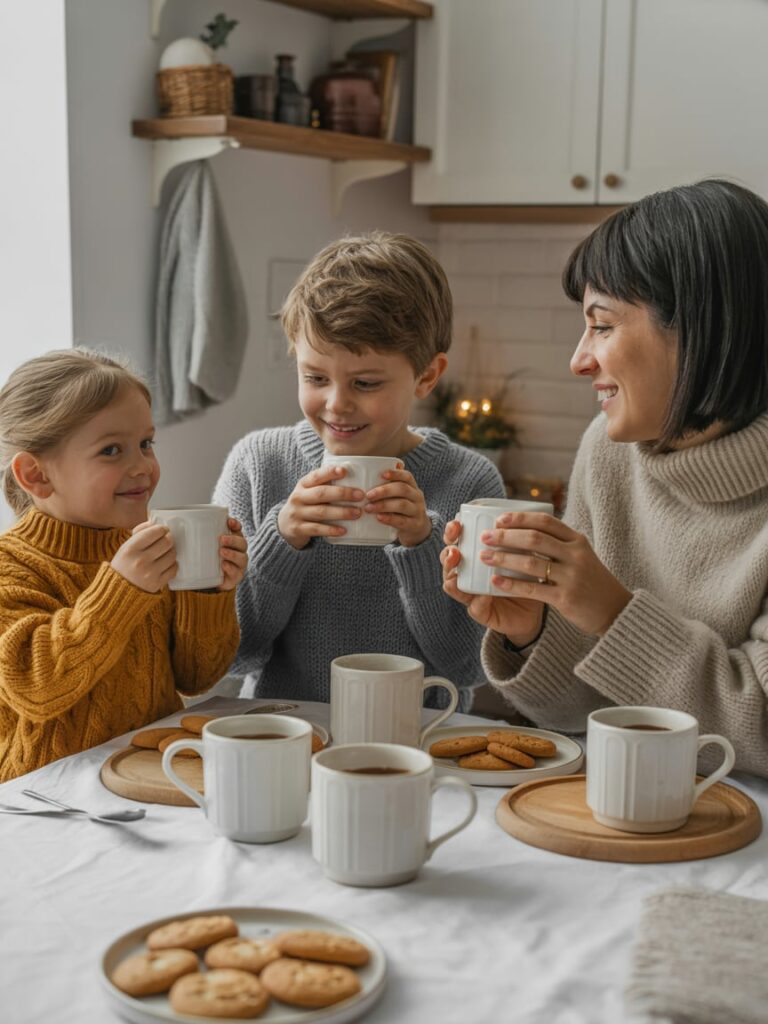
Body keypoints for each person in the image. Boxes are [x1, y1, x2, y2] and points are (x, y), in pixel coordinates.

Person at [442, 179, 768, 776]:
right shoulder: (610, 450)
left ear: (699, 331)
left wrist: (614, 615)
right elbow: (580, 713)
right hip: (626, 805)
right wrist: (533, 632)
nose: (578, 359)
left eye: (603, 325)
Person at [213, 231, 505, 709]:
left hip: (417, 746)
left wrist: (421, 545)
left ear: (427, 377)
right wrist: (281, 539)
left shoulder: (469, 482)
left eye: (365, 382)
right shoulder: (258, 464)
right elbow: (232, 655)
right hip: (286, 737)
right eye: (315, 378)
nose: (336, 404)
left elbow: (467, 667)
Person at [0, 349, 247, 781]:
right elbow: (38, 690)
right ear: (36, 475)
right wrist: (120, 590)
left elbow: (196, 677)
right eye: (112, 450)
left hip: (150, 774)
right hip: (48, 798)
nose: (143, 467)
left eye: (146, 444)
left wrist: (208, 590)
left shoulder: (145, 549)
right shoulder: (11, 567)